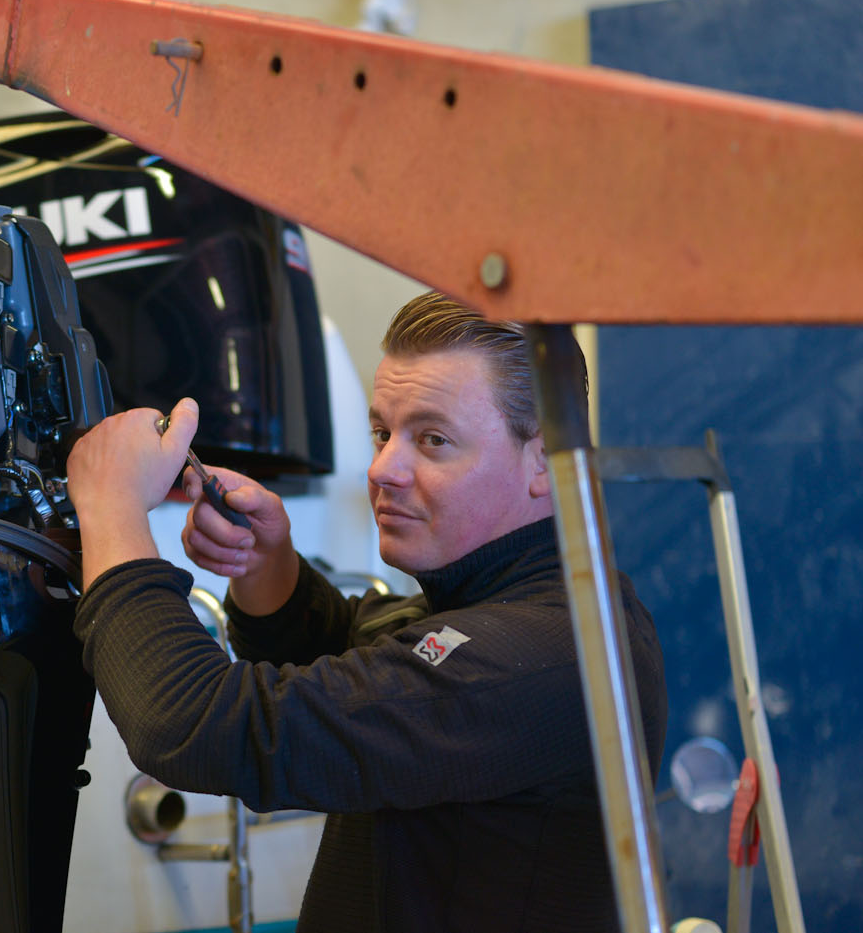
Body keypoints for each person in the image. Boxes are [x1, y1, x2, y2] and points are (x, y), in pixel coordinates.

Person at [66, 291, 666, 932]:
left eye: (433, 439)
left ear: (545, 462)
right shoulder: (515, 608)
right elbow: (354, 647)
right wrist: (271, 566)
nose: (383, 468)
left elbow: (194, 724)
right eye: (383, 432)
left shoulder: (539, 657)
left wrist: (111, 513)